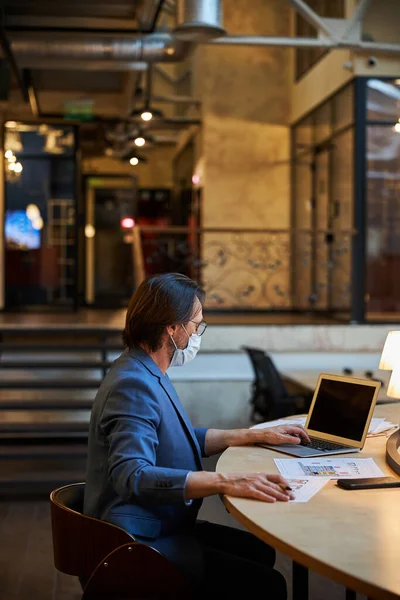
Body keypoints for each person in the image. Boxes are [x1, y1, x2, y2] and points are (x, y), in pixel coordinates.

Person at [83, 273, 310, 598]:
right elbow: (131, 476)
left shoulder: (143, 368)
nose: (197, 333)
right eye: (196, 324)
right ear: (172, 328)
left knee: (260, 552)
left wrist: (251, 435)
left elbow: (177, 436)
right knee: (269, 584)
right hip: (140, 541)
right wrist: (225, 482)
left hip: (162, 521)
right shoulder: (132, 385)